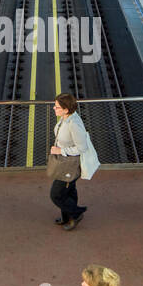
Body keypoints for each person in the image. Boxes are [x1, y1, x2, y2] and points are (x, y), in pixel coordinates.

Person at [49, 93, 99, 231]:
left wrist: (61, 151)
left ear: (66, 109)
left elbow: (82, 148)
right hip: (66, 162)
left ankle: (76, 213)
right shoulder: (66, 118)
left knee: (56, 194)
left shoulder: (74, 124)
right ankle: (66, 217)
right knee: (69, 190)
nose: (54, 108)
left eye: (57, 107)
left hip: (70, 164)